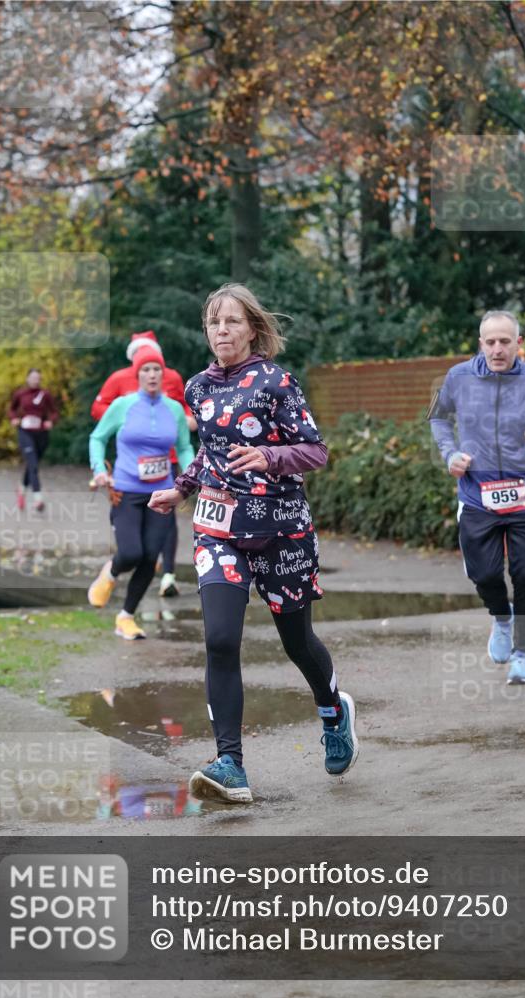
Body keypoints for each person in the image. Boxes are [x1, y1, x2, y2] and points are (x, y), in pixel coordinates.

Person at [148, 283, 358, 803]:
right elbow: (210, 453)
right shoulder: (196, 387)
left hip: (279, 530)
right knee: (220, 639)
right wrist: (181, 488)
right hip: (218, 530)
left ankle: (333, 711)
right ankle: (231, 764)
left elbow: (315, 451)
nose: (222, 330)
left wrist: (270, 458)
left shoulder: (276, 383)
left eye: (232, 321)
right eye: (214, 322)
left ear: (253, 329)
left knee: (297, 642)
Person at [430, 310, 525, 684]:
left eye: (505, 341)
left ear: (518, 343)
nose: (497, 349)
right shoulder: (458, 377)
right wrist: (450, 454)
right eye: (490, 342)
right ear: (481, 343)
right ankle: (501, 618)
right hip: (477, 494)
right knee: (483, 573)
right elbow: (439, 419)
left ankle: (524, 653)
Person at [87, 347, 194, 639]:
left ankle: (126, 617)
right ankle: (110, 573)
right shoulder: (123, 405)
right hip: (125, 490)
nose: (151, 374)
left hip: (161, 494)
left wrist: (189, 476)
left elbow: (184, 447)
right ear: (137, 375)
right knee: (132, 552)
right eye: (145, 369)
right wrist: (99, 469)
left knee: (150, 558)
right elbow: (97, 438)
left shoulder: (173, 408)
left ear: (163, 374)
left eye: (156, 369)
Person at [8, 368, 59, 512]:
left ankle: (21, 489)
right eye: (33, 378)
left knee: (32, 465)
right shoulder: (20, 394)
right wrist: (14, 419)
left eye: (38, 378)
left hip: (41, 434)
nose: (35, 381)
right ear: (27, 379)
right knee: (33, 465)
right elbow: (11, 410)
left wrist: (51, 421)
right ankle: (38, 499)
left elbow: (54, 412)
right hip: (25, 433)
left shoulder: (45, 394)